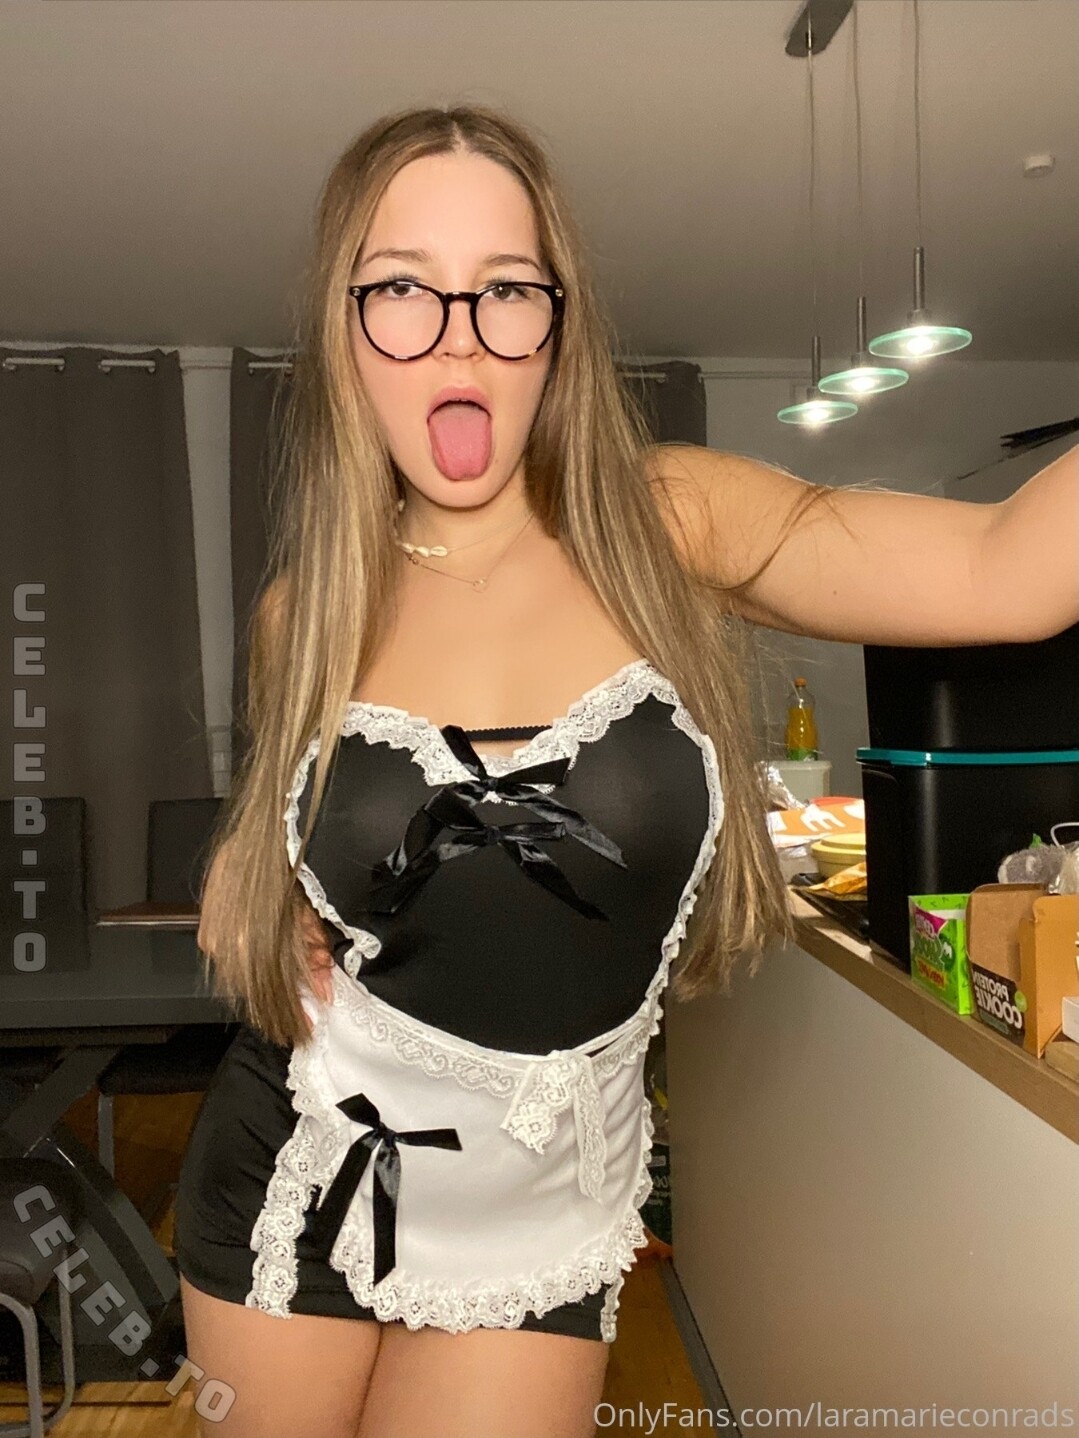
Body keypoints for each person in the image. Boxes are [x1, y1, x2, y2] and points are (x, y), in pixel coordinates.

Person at [175, 103, 1077, 1438]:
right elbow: (287, 835)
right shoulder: (302, 611)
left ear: (558, 324)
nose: (459, 336)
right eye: (403, 288)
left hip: (547, 1214)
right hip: (301, 1175)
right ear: (344, 325)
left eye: (505, 290)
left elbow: (1009, 570)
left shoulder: (667, 519)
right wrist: (255, 868)